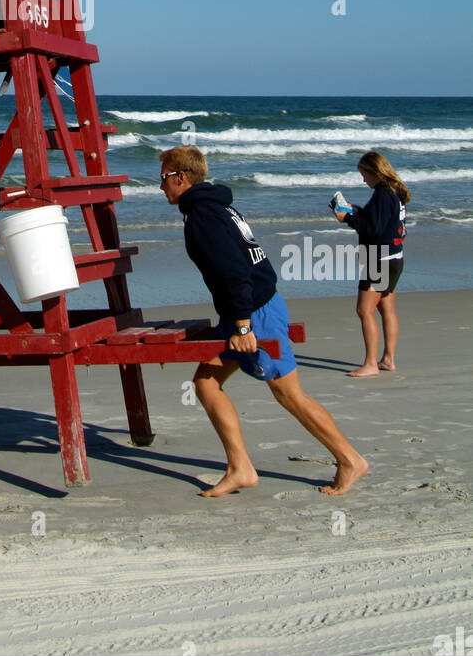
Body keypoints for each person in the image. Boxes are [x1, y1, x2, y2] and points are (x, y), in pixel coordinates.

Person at [160, 145, 368, 497]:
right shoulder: (215, 206)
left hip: (253, 313)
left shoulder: (205, 215)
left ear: (182, 177)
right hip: (244, 310)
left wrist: (243, 326)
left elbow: (235, 270)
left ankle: (350, 459)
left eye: (164, 178)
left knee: (289, 394)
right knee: (206, 382)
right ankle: (240, 468)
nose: (160, 186)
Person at [332, 151, 409, 377]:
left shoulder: (384, 193)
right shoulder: (396, 190)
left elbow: (373, 229)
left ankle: (370, 364)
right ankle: (387, 359)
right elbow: (382, 221)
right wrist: (359, 211)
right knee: (386, 309)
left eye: (364, 174)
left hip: (380, 260)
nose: (363, 180)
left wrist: (347, 218)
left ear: (375, 172)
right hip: (394, 257)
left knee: (364, 310)